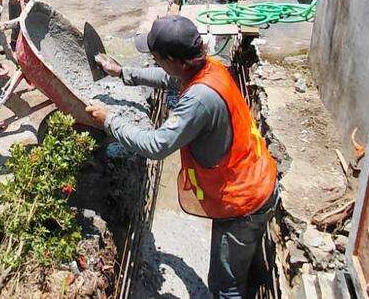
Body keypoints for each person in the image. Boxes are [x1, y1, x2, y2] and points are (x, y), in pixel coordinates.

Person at [85, 16, 279, 299]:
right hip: (258, 178)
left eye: (156, 58)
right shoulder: (208, 67)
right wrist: (122, 72)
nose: (155, 63)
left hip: (242, 202)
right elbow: (169, 79)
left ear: (176, 60)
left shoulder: (198, 100)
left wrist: (109, 120)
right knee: (248, 269)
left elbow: (156, 145)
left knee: (226, 287)